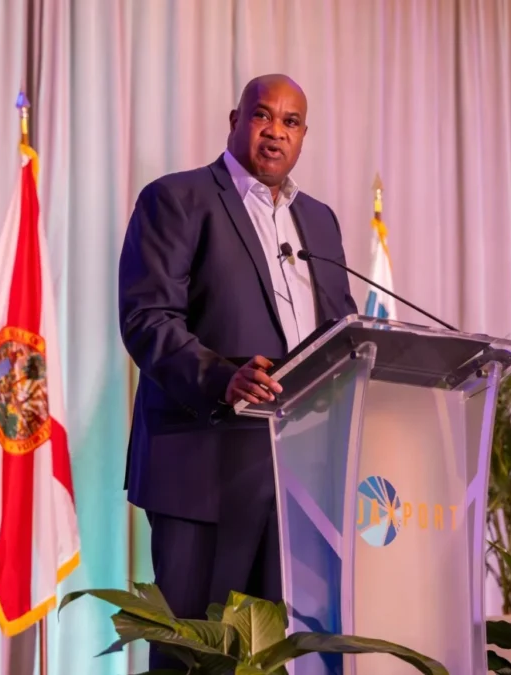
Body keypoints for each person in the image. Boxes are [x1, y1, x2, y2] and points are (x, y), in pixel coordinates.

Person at [117, 73, 357, 668]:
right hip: (203, 470)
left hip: (298, 478)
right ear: (235, 120)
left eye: (291, 122)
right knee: (194, 659)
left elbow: (342, 329)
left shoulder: (320, 222)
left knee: (278, 658)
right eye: (263, 116)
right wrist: (219, 377)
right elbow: (147, 318)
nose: (276, 132)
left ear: (304, 136)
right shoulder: (178, 199)